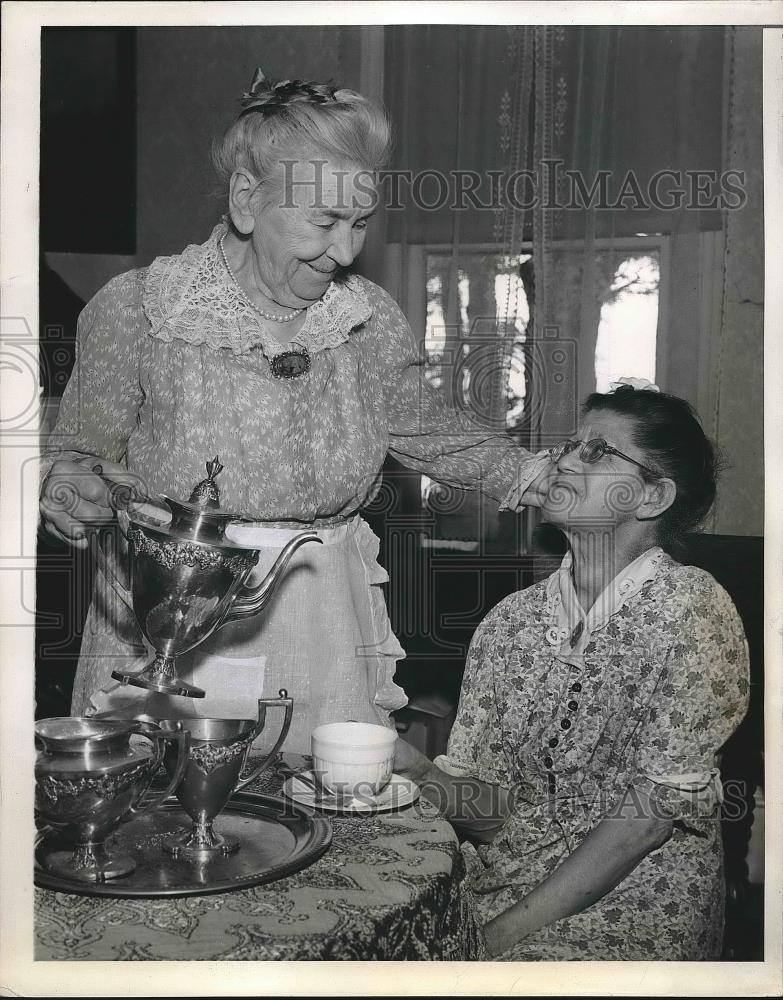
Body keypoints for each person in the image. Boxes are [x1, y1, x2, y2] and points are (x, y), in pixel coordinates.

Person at [39, 70, 549, 753]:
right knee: (165, 821)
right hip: (176, 615)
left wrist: (537, 472)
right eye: (326, 221)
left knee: (327, 815)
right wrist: (73, 489)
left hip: (322, 616)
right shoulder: (140, 309)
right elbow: (79, 453)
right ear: (248, 200)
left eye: (360, 223)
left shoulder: (366, 317)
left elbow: (426, 429)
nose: (345, 251)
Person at [393, 381, 750, 960]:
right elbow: (493, 817)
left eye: (598, 451)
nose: (562, 459)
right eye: (570, 444)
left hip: (639, 903)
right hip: (502, 889)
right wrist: (415, 771)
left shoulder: (692, 609)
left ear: (653, 497)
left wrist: (497, 937)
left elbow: (644, 824)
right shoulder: (508, 623)